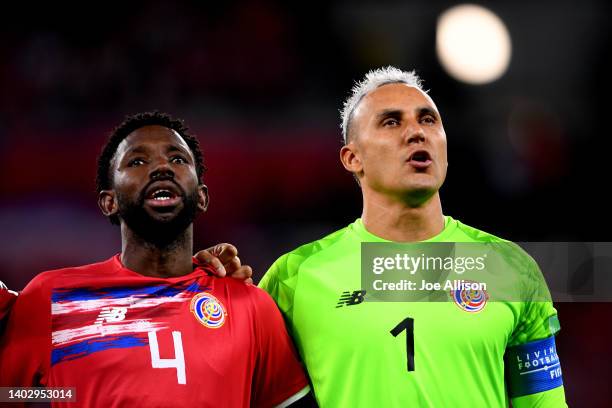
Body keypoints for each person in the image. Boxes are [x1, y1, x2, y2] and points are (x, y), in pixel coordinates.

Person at [259, 67, 567, 407]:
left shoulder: (510, 268)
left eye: (429, 120)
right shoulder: (293, 277)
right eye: (391, 122)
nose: (417, 132)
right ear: (352, 158)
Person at [0, 112, 311, 407]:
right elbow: (10, 395)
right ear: (109, 202)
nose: (162, 167)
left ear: (201, 196)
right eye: (137, 161)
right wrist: (68, 391)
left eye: (177, 159)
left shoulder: (250, 306)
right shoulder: (53, 298)